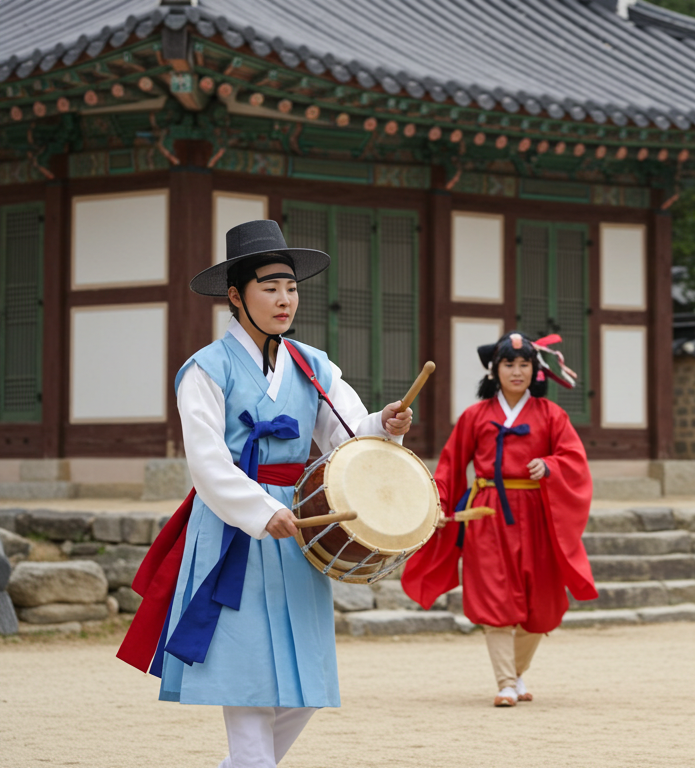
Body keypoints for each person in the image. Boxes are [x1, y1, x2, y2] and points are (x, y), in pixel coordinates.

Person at [118, 219, 413, 768]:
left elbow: (346, 437)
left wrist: (385, 424)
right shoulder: (205, 370)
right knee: (247, 675)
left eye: (292, 287)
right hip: (234, 530)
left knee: (306, 683)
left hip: (299, 532)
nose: (284, 300)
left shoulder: (313, 364)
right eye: (270, 287)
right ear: (236, 295)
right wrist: (261, 509)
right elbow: (207, 464)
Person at [402, 331, 596, 708]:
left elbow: (574, 458)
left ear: (535, 370)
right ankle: (506, 681)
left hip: (536, 513)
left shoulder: (552, 415)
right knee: (494, 595)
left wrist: (551, 464)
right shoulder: (474, 417)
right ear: (495, 370)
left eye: (524, 364)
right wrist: (440, 503)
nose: (517, 371)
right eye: (509, 364)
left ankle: (517, 671)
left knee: (540, 600)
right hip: (487, 515)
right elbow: (450, 465)